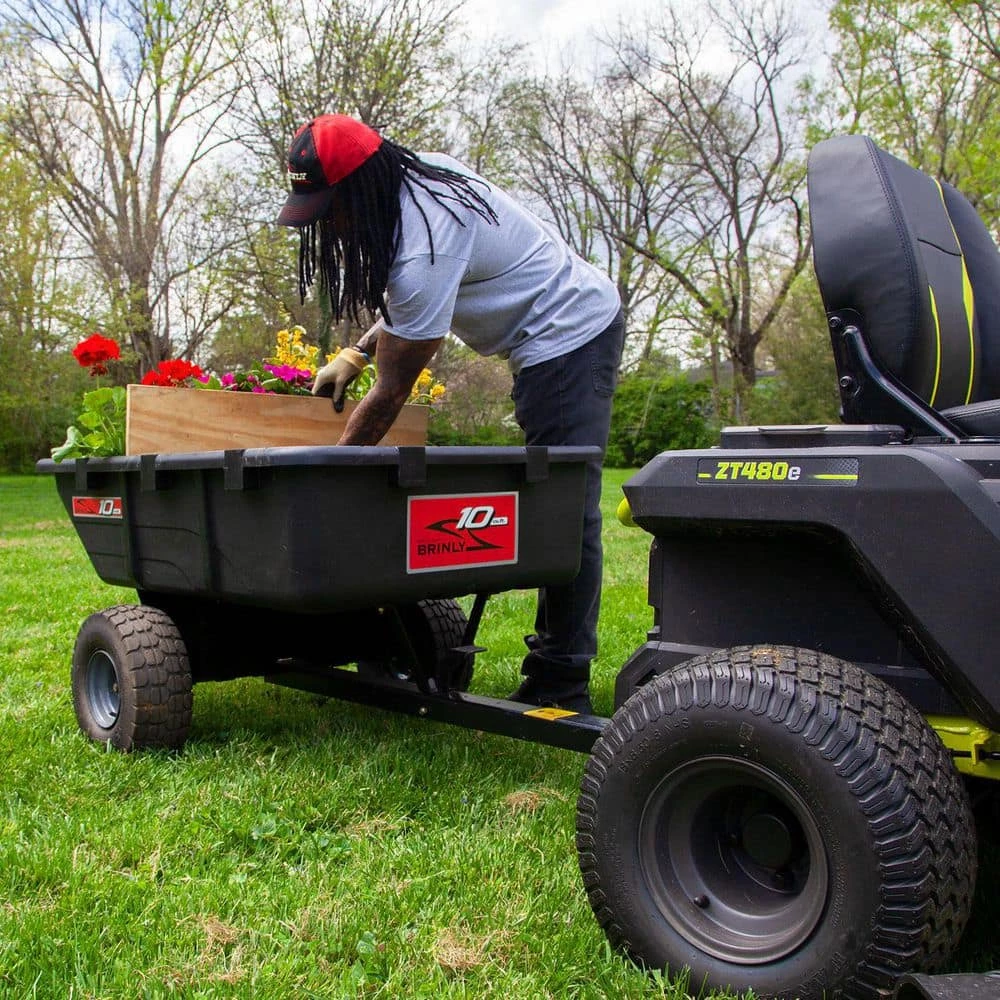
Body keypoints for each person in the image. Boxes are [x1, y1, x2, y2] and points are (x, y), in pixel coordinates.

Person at [277, 114, 624, 715]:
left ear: (362, 188)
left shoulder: (426, 238)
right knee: (558, 503)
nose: (328, 224)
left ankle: (561, 677)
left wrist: (328, 475)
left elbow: (391, 393)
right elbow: (414, 301)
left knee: (567, 508)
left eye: (331, 210)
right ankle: (556, 666)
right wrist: (356, 352)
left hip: (570, 333)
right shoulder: (415, 185)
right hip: (545, 340)